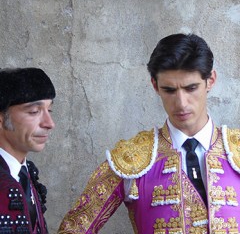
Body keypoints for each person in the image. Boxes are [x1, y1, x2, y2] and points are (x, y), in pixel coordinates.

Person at [58, 33, 240, 233]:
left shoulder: (236, 149)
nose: (181, 103)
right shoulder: (131, 159)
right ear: (155, 86)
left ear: (210, 80)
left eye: (191, 88)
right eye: (169, 90)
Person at [0, 68, 56, 233]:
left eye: (49, 110)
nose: (49, 123)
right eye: (34, 112)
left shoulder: (26, 172)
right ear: (2, 118)